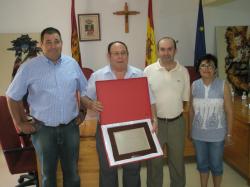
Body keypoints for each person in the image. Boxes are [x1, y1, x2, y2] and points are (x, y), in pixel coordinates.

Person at [6, 27, 88, 187]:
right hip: (43, 130)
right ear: (41, 45)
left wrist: (83, 111)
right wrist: (20, 123)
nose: (53, 46)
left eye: (56, 41)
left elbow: (84, 90)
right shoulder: (29, 67)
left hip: (70, 128)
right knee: (48, 177)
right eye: (48, 42)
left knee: (72, 173)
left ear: (61, 43)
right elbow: (12, 95)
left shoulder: (72, 64)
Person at [81, 41, 157, 187]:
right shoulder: (98, 75)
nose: (120, 57)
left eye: (123, 53)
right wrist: (91, 104)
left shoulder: (139, 74)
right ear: (109, 56)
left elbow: (150, 100)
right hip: (105, 129)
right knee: (108, 169)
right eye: (116, 53)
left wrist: (154, 120)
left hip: (134, 129)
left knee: (133, 168)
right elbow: (83, 96)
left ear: (127, 55)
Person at [144, 36, 190, 187]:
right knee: (154, 164)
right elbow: (144, 101)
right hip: (155, 125)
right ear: (157, 51)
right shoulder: (148, 71)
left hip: (177, 123)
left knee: (177, 163)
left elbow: (186, 101)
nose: (166, 53)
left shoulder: (183, 71)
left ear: (175, 50)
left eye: (169, 49)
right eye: (162, 49)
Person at [189, 54, 233, 187]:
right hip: (198, 134)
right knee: (202, 164)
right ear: (199, 69)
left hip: (217, 135)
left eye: (210, 66)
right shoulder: (194, 85)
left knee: (216, 165)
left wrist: (229, 134)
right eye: (203, 65)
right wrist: (190, 131)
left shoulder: (223, 85)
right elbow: (191, 109)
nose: (206, 68)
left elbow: (229, 111)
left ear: (215, 69)